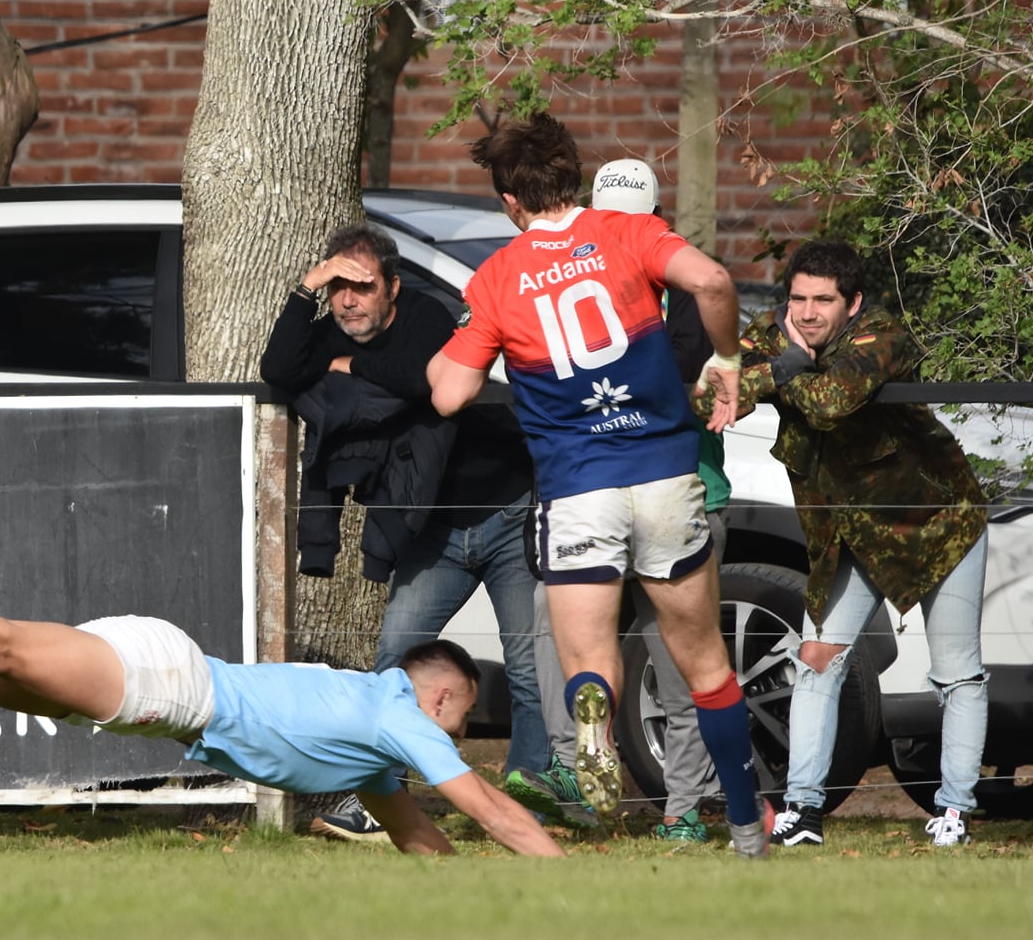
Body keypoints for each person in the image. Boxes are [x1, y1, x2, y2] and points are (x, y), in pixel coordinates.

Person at [0, 541, 565, 858]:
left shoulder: (375, 747)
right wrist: (555, 872)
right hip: (172, 682)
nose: (447, 733)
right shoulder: (398, 715)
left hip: (167, 692)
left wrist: (471, 891)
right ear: (442, 693)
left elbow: (418, 837)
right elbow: (485, 806)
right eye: (453, 716)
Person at [425, 113, 768, 859]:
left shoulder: (497, 277)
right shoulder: (623, 232)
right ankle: (745, 831)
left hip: (577, 488)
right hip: (666, 475)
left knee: (588, 661)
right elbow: (710, 278)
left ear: (509, 201)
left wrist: (461, 347)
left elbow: (450, 393)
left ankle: (595, 717)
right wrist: (727, 357)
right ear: (575, 177)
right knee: (704, 663)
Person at [256, 224, 541, 845]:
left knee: (527, 666)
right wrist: (307, 288)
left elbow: (422, 379)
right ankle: (380, 804)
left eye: (360, 287)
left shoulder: (426, 315)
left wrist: (350, 365)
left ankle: (530, 800)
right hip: (427, 527)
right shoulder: (327, 319)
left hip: (505, 509)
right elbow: (278, 369)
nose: (347, 301)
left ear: (392, 287)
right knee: (392, 662)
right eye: (336, 289)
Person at [713, 239, 988, 849]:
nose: (808, 312)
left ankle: (954, 812)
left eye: (824, 300)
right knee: (816, 660)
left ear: (853, 303)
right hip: (852, 534)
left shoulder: (883, 336)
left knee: (956, 673)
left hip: (935, 523)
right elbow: (717, 390)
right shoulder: (782, 335)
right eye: (798, 298)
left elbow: (833, 401)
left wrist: (779, 372)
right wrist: (785, 363)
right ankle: (804, 811)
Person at [530, 159, 725, 842]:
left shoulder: (691, 289)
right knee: (550, 628)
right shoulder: (572, 284)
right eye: (607, 217)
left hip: (683, 491)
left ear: (656, 221)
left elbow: (668, 379)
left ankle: (685, 807)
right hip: (597, 493)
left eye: (633, 219)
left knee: (678, 660)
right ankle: (574, 771)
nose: (619, 230)